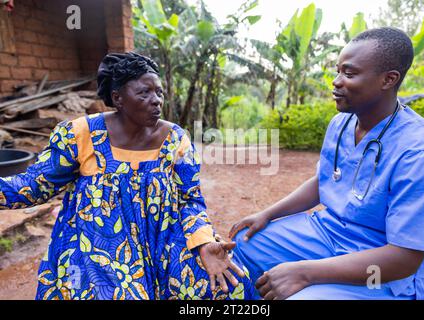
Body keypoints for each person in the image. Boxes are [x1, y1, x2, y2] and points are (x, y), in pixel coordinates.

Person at [0, 52, 256, 300]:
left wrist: (203, 242)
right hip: (99, 246)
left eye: (159, 92)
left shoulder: (175, 139)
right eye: (144, 93)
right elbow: (34, 185)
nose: (156, 100)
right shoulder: (80, 134)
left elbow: (190, 200)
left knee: (229, 285)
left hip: (163, 240)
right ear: (118, 98)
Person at [230, 27, 424, 300]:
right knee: (244, 244)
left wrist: (306, 272)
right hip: (327, 234)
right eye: (337, 71)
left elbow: (405, 259)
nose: (336, 81)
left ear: (388, 79)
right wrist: (267, 214)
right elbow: (325, 181)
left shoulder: (421, 152)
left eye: (349, 73)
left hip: (383, 269)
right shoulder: (342, 122)